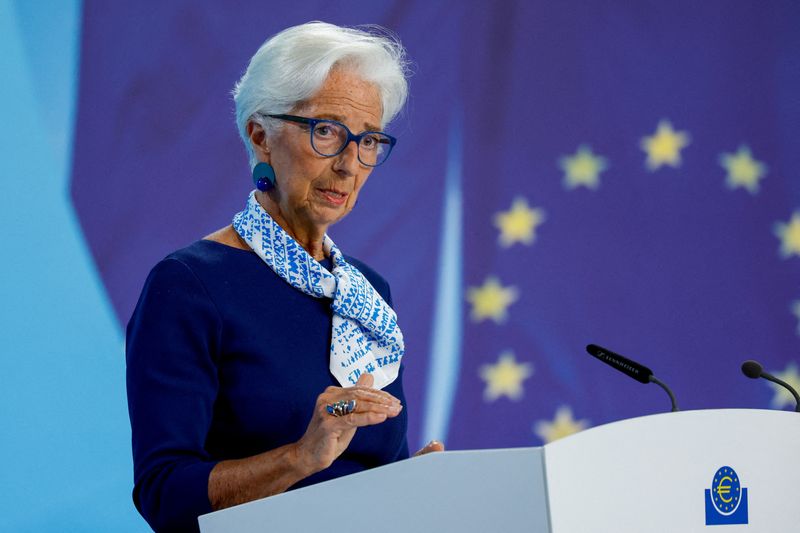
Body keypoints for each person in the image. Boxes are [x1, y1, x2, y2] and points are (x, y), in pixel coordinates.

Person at [126, 21, 443, 533]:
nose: (349, 165)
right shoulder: (188, 285)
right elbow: (163, 494)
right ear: (261, 135)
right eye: (327, 131)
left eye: (368, 141)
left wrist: (412, 485)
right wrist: (299, 457)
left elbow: (368, 470)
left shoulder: (366, 293)